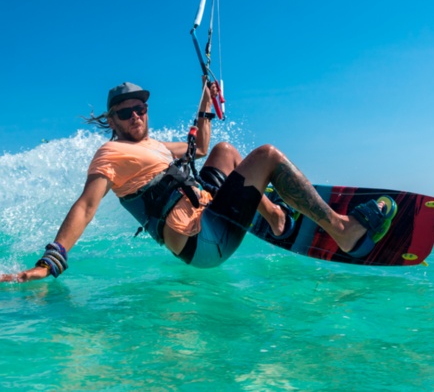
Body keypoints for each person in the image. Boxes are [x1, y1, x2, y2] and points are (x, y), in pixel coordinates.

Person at [0, 79, 396, 282]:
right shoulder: (110, 155)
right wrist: (51, 261)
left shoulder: (154, 146)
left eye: (140, 108)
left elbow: (200, 147)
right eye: (125, 113)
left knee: (225, 150)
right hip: (200, 242)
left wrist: (204, 103)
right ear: (112, 120)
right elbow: (86, 206)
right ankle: (343, 231)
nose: (135, 116)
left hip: (203, 219)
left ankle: (275, 216)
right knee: (267, 156)